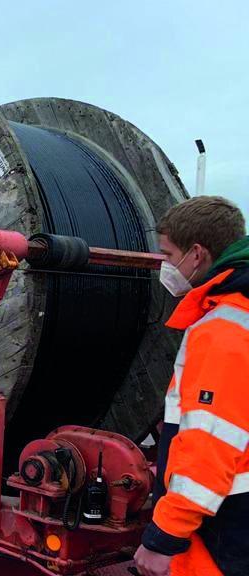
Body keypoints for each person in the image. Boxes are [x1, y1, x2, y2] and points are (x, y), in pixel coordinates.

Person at [134, 196, 249, 576]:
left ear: (196, 254)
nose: (164, 265)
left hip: (223, 533)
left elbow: (208, 446)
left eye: (168, 255)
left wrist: (164, 537)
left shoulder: (222, 330)